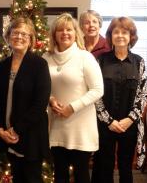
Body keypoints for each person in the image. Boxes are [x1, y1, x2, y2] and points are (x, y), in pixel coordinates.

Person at [43, 13, 104, 183]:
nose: (65, 33)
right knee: (60, 175)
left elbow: (98, 90)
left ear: (75, 33)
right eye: (60, 30)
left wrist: (72, 107)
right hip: (56, 125)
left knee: (81, 175)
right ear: (54, 34)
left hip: (80, 126)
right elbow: (41, 88)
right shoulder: (46, 58)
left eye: (69, 29)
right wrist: (50, 99)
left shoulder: (85, 57)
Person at [0, 17, 51, 183]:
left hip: (31, 136)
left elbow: (40, 103)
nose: (19, 37)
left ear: (31, 39)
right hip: (7, 136)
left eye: (24, 34)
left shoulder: (39, 65)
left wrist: (16, 129)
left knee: (32, 178)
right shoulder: (1, 67)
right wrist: (0, 129)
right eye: (15, 33)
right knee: (17, 178)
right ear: (8, 36)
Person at [91, 17, 147, 183]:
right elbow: (95, 93)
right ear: (110, 36)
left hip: (129, 126)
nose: (120, 35)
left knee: (125, 168)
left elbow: (143, 95)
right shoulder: (100, 60)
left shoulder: (139, 62)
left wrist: (130, 119)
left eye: (125, 32)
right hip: (104, 125)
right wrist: (109, 121)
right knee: (104, 167)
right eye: (116, 32)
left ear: (131, 36)